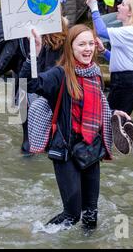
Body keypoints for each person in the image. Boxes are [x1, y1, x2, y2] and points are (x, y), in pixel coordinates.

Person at [20, 24, 124, 229]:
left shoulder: (95, 74)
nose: (87, 49)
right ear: (70, 48)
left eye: (91, 44)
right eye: (81, 44)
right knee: (72, 215)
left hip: (90, 148)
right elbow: (31, 85)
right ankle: (40, 235)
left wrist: (114, 114)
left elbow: (98, 109)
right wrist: (35, 53)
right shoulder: (60, 74)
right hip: (65, 150)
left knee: (91, 216)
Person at [86, 0, 133, 160]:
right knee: (108, 121)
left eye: (123, 4)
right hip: (127, 82)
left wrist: (93, 6)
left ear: (130, 13)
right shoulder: (130, 32)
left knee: (102, 119)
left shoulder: (129, 31)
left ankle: (122, 127)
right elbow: (122, 60)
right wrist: (104, 51)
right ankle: (128, 127)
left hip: (124, 83)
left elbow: (100, 30)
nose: (118, 6)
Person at [21, 17, 69, 155]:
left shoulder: (48, 41)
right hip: (51, 84)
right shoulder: (57, 41)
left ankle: (32, 147)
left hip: (46, 84)